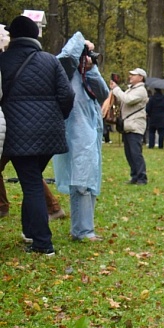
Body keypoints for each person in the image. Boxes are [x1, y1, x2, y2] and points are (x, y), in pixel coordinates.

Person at [0, 15, 74, 255]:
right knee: (32, 179)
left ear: (12, 36)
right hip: (50, 132)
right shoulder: (50, 61)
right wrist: (54, 117)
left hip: (18, 131)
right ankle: (30, 232)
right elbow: (67, 95)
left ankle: (43, 243)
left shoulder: (3, 60)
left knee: (30, 183)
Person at [52, 31, 109, 242]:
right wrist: (81, 42)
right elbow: (65, 57)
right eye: (87, 53)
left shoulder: (87, 72)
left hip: (91, 133)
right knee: (81, 181)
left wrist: (91, 68)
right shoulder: (64, 71)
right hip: (76, 133)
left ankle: (86, 229)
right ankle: (82, 231)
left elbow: (103, 93)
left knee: (90, 181)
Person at [110, 67, 148, 184]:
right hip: (128, 125)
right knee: (129, 153)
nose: (130, 76)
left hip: (135, 125)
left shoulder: (141, 90)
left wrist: (116, 89)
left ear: (141, 77)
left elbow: (127, 100)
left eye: (133, 75)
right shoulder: (131, 89)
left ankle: (142, 177)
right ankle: (135, 176)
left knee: (135, 153)